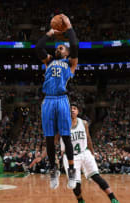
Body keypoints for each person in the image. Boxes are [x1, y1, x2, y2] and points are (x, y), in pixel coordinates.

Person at [36, 14, 79, 189]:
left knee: (66, 137)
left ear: (67, 53)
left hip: (62, 99)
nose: (59, 48)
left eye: (62, 47)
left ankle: (71, 170)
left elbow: (75, 45)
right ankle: (53, 169)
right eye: (58, 47)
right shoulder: (49, 61)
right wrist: (50, 33)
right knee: (48, 138)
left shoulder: (70, 63)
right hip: (48, 100)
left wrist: (68, 27)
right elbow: (38, 48)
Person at [61, 103, 119, 203]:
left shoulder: (83, 123)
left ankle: (113, 198)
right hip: (71, 158)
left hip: (84, 153)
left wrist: (92, 152)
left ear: (78, 111)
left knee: (96, 177)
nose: (72, 110)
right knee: (76, 185)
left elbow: (88, 138)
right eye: (70, 109)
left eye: (74, 108)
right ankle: (80, 200)